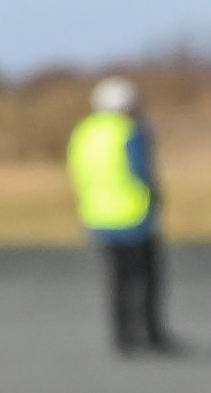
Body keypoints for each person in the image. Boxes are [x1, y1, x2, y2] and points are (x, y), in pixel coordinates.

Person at [74, 70, 178, 354]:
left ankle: (122, 336)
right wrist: (155, 197)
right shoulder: (130, 131)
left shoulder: (85, 132)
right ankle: (151, 333)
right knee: (146, 277)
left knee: (116, 279)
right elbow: (142, 171)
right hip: (132, 214)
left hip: (97, 213)